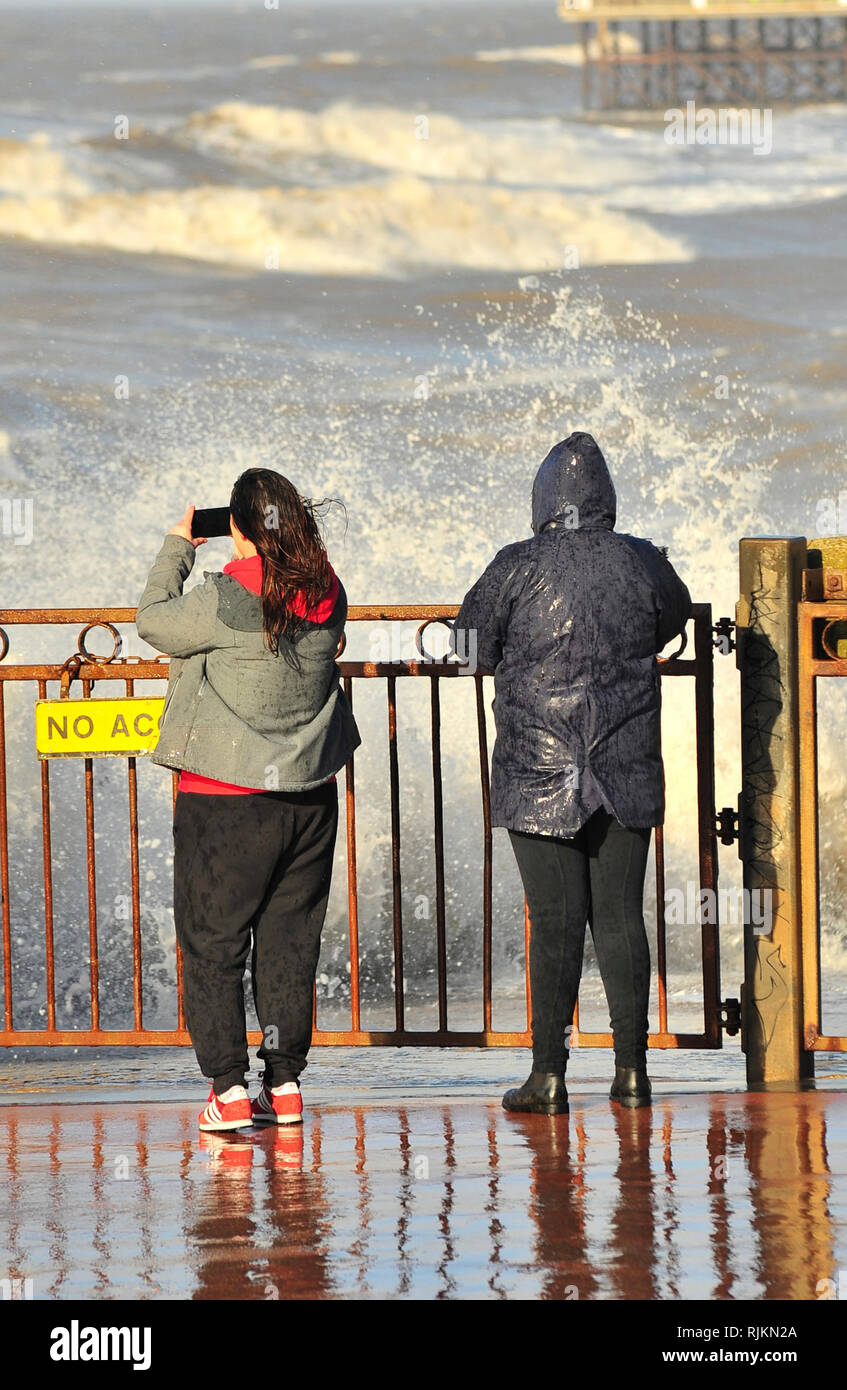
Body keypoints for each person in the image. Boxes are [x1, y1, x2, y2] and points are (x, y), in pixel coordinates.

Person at [453, 432, 691, 1114]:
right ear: (604, 499)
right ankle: (631, 1072)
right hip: (625, 763)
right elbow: (668, 618)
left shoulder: (513, 565)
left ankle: (547, 1077)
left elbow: (468, 652)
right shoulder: (642, 562)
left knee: (555, 922)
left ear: (542, 499)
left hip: (537, 768)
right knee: (619, 917)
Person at [136, 469, 360, 1133]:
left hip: (225, 801)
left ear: (237, 529)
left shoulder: (223, 594)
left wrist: (179, 544)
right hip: (309, 799)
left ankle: (228, 1092)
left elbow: (152, 623)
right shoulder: (330, 590)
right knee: (290, 946)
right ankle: (283, 1087)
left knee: (213, 946)